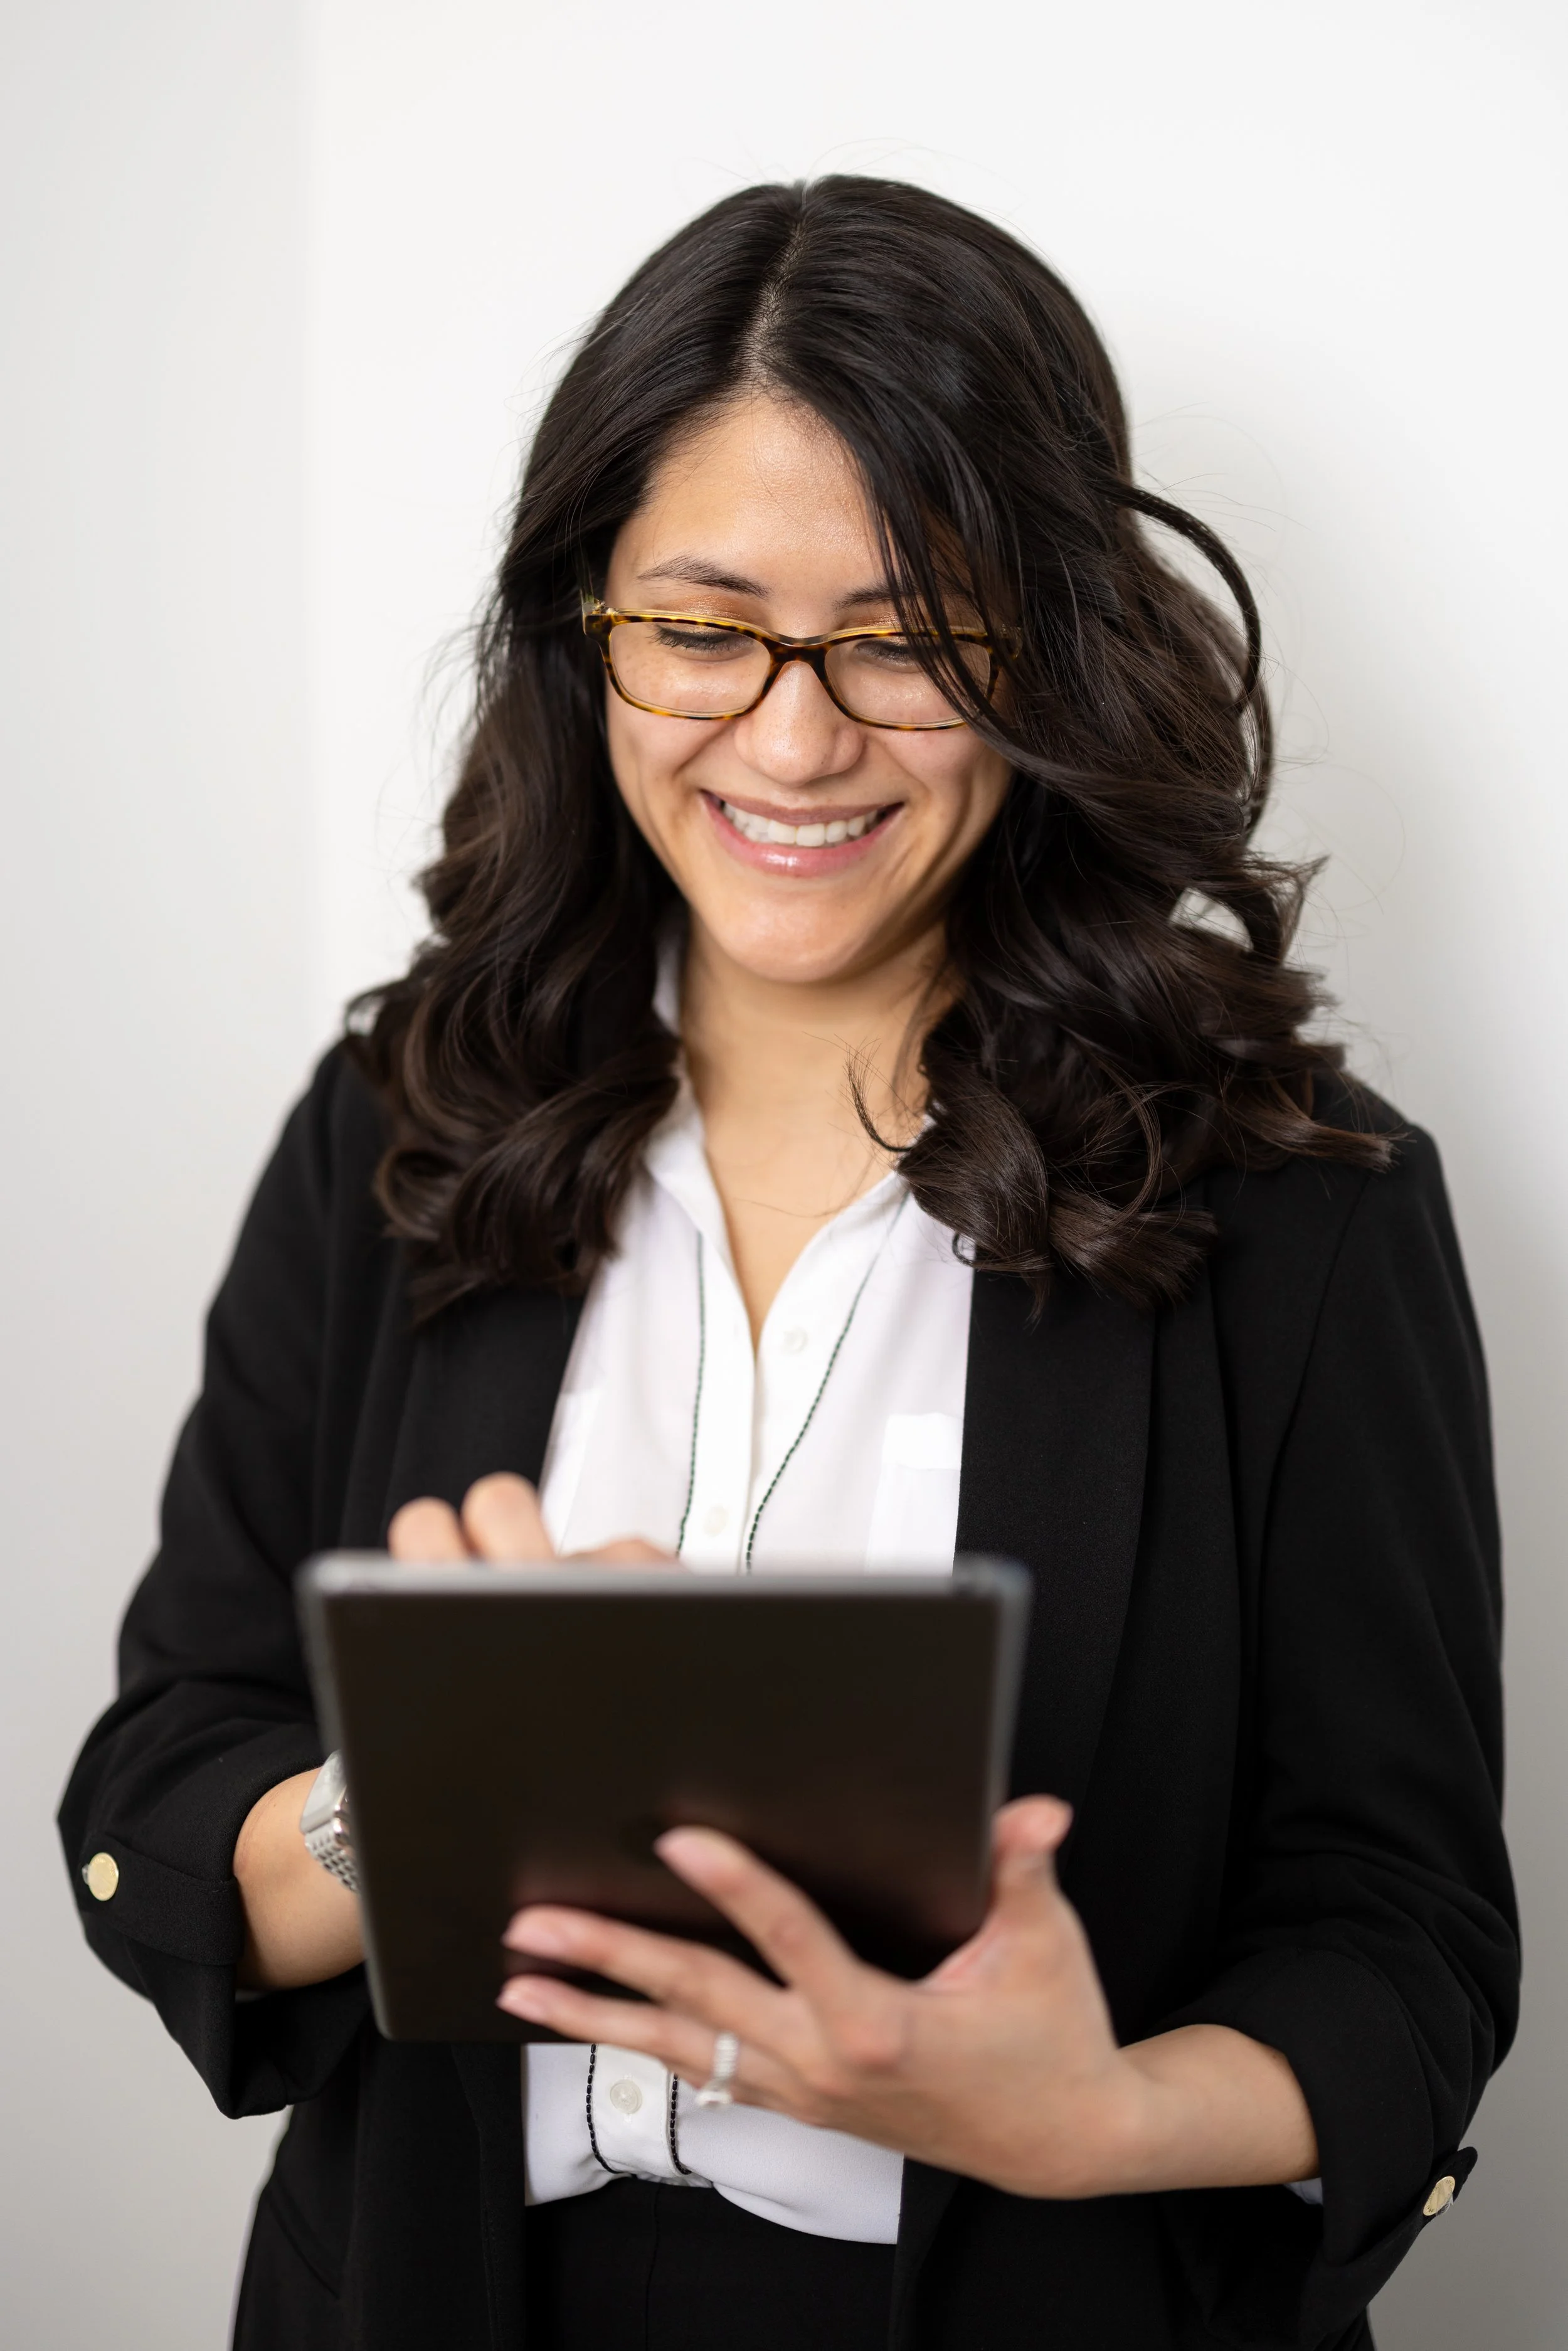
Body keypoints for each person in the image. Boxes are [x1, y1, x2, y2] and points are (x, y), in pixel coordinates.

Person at [60, 176, 1517, 2351]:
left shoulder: (1305, 1206)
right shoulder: (394, 1128)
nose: (798, 732)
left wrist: (1083, 2112)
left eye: (910, 632)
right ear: (586, 633)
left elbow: (1401, 1934)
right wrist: (421, 1802)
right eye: (704, 626)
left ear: (1049, 648)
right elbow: (168, 1762)